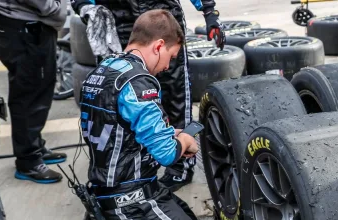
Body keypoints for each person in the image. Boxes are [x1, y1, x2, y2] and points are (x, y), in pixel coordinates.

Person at [78, 9, 219, 220]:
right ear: (158, 46)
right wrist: (184, 141)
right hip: (130, 197)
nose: (168, 66)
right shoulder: (139, 83)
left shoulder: (104, 69)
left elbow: (122, 127)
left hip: (114, 185)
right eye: (171, 56)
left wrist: (173, 133)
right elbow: (167, 154)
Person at [71, 0, 226, 192]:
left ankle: (179, 166)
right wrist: (84, 5)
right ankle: (121, 171)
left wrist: (209, 11)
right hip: (120, 24)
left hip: (165, 23)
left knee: (174, 96)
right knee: (115, 99)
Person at [0, 0, 68, 184]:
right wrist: (55, 9)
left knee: (40, 86)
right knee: (28, 93)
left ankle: (34, 147)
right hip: (21, 23)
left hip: (28, 21)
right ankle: (28, 161)